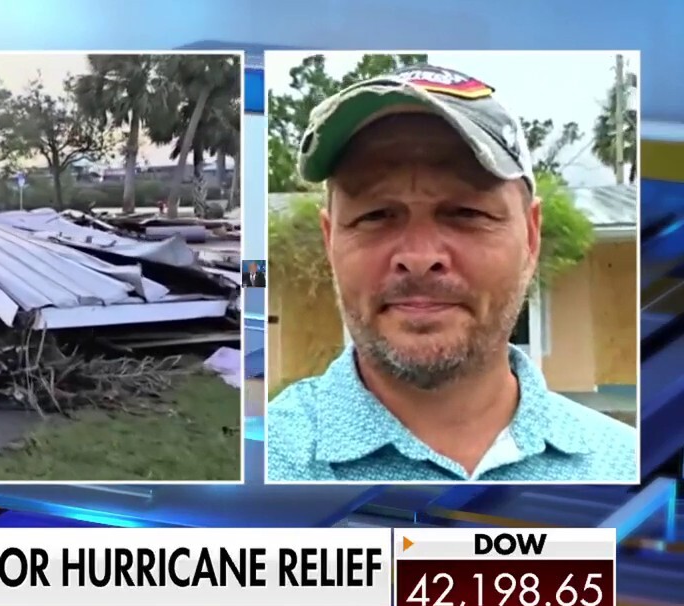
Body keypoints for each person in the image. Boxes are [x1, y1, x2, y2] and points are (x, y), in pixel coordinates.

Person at [267, 64, 637, 483]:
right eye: (375, 215)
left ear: (531, 237)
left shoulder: (627, 470)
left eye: (466, 212)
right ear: (330, 241)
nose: (420, 256)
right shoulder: (257, 475)